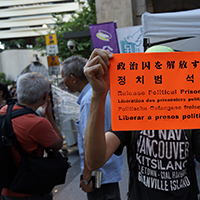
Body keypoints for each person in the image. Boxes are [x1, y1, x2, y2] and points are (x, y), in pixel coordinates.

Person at [83, 47, 200, 200]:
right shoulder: (132, 115)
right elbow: (95, 160)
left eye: (167, 74)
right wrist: (98, 94)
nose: (159, 81)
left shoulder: (192, 115)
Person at [61, 55, 123, 200]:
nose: (63, 82)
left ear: (73, 77)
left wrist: (86, 177)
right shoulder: (98, 93)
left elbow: (90, 141)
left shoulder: (91, 99)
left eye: (64, 77)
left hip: (100, 176)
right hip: (107, 172)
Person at [0, 72, 63, 200]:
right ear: (46, 96)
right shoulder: (38, 123)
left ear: (17, 92)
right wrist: (49, 116)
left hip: (5, 186)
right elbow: (58, 144)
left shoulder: (3, 111)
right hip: (28, 189)